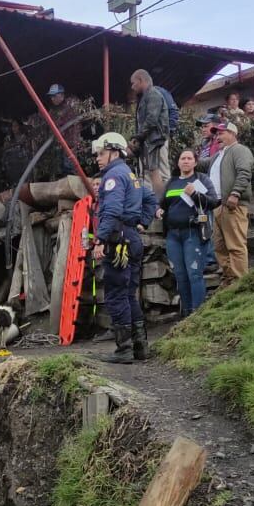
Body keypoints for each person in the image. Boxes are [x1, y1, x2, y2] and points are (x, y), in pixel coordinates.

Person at [91, 133, 158, 364]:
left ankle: (124, 350)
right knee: (129, 294)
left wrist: (100, 239)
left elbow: (111, 210)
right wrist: (142, 222)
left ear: (114, 152)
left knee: (116, 295)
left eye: (101, 153)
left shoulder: (113, 177)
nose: (97, 158)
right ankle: (141, 347)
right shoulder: (131, 175)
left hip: (118, 242)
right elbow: (150, 199)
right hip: (132, 238)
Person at [160, 150, 219, 317]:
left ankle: (197, 314)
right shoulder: (171, 182)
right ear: (178, 163)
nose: (185, 161)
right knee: (180, 275)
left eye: (189, 158)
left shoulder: (202, 180)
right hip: (173, 235)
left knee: (194, 274)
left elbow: (214, 202)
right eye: (182, 158)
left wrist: (195, 194)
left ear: (195, 162)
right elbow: (163, 204)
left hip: (193, 233)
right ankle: (186, 314)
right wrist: (158, 210)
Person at [203, 122, 254, 284]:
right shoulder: (219, 155)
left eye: (221, 133)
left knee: (236, 246)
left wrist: (235, 193)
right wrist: (187, 158)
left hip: (233, 205)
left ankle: (241, 284)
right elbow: (201, 164)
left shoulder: (240, 150)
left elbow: (244, 172)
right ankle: (229, 281)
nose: (217, 137)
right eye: (216, 134)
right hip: (218, 206)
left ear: (232, 133)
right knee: (219, 246)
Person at [130, 69, 170, 197]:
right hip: (149, 141)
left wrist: (138, 136)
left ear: (141, 80)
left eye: (133, 83)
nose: (132, 87)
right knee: (149, 174)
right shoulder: (145, 97)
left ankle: (164, 206)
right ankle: (153, 207)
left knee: (161, 175)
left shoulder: (153, 95)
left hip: (158, 141)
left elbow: (151, 119)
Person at [2, 118, 32, 188]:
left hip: (23, 165)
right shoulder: (8, 138)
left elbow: (29, 150)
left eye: (16, 126)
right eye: (13, 126)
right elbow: (5, 149)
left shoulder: (25, 137)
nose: (14, 128)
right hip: (12, 167)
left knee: (23, 186)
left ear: (20, 127)